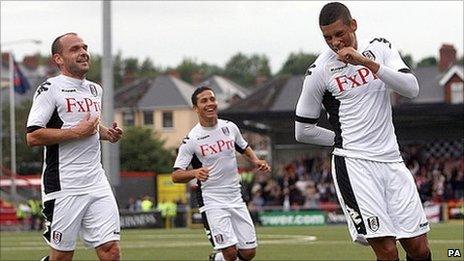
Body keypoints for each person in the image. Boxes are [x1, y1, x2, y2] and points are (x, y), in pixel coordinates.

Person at [294, 3, 431, 260]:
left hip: (392, 160)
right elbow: (302, 130)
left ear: (353, 25)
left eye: (339, 34)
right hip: (355, 165)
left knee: (418, 248)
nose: (335, 42)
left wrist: (366, 63)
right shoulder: (318, 71)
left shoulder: (379, 48)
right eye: (327, 37)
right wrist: (342, 140)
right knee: (388, 251)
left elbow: (411, 89)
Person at [26, 32, 123, 261]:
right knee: (62, 257)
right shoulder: (49, 89)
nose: (83, 52)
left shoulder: (94, 90)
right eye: (75, 49)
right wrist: (76, 133)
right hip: (64, 184)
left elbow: (89, 124)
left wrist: (106, 133)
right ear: (58, 59)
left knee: (111, 250)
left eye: (84, 47)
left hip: (96, 181)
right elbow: (33, 136)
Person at [172, 86, 271, 261]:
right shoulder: (192, 139)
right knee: (230, 253)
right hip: (212, 200)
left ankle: (216, 259)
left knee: (249, 252)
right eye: (204, 101)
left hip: (235, 197)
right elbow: (176, 175)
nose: (210, 104)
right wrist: (195, 172)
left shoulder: (229, 127)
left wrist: (255, 160)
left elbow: (243, 146)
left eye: (212, 99)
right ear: (195, 108)